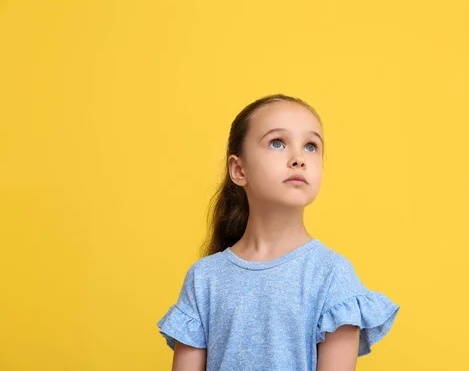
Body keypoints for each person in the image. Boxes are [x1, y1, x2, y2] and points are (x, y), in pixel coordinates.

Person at [156, 93, 400, 370]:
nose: (298, 158)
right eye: (277, 143)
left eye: (311, 146)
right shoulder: (204, 279)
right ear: (239, 169)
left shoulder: (333, 275)